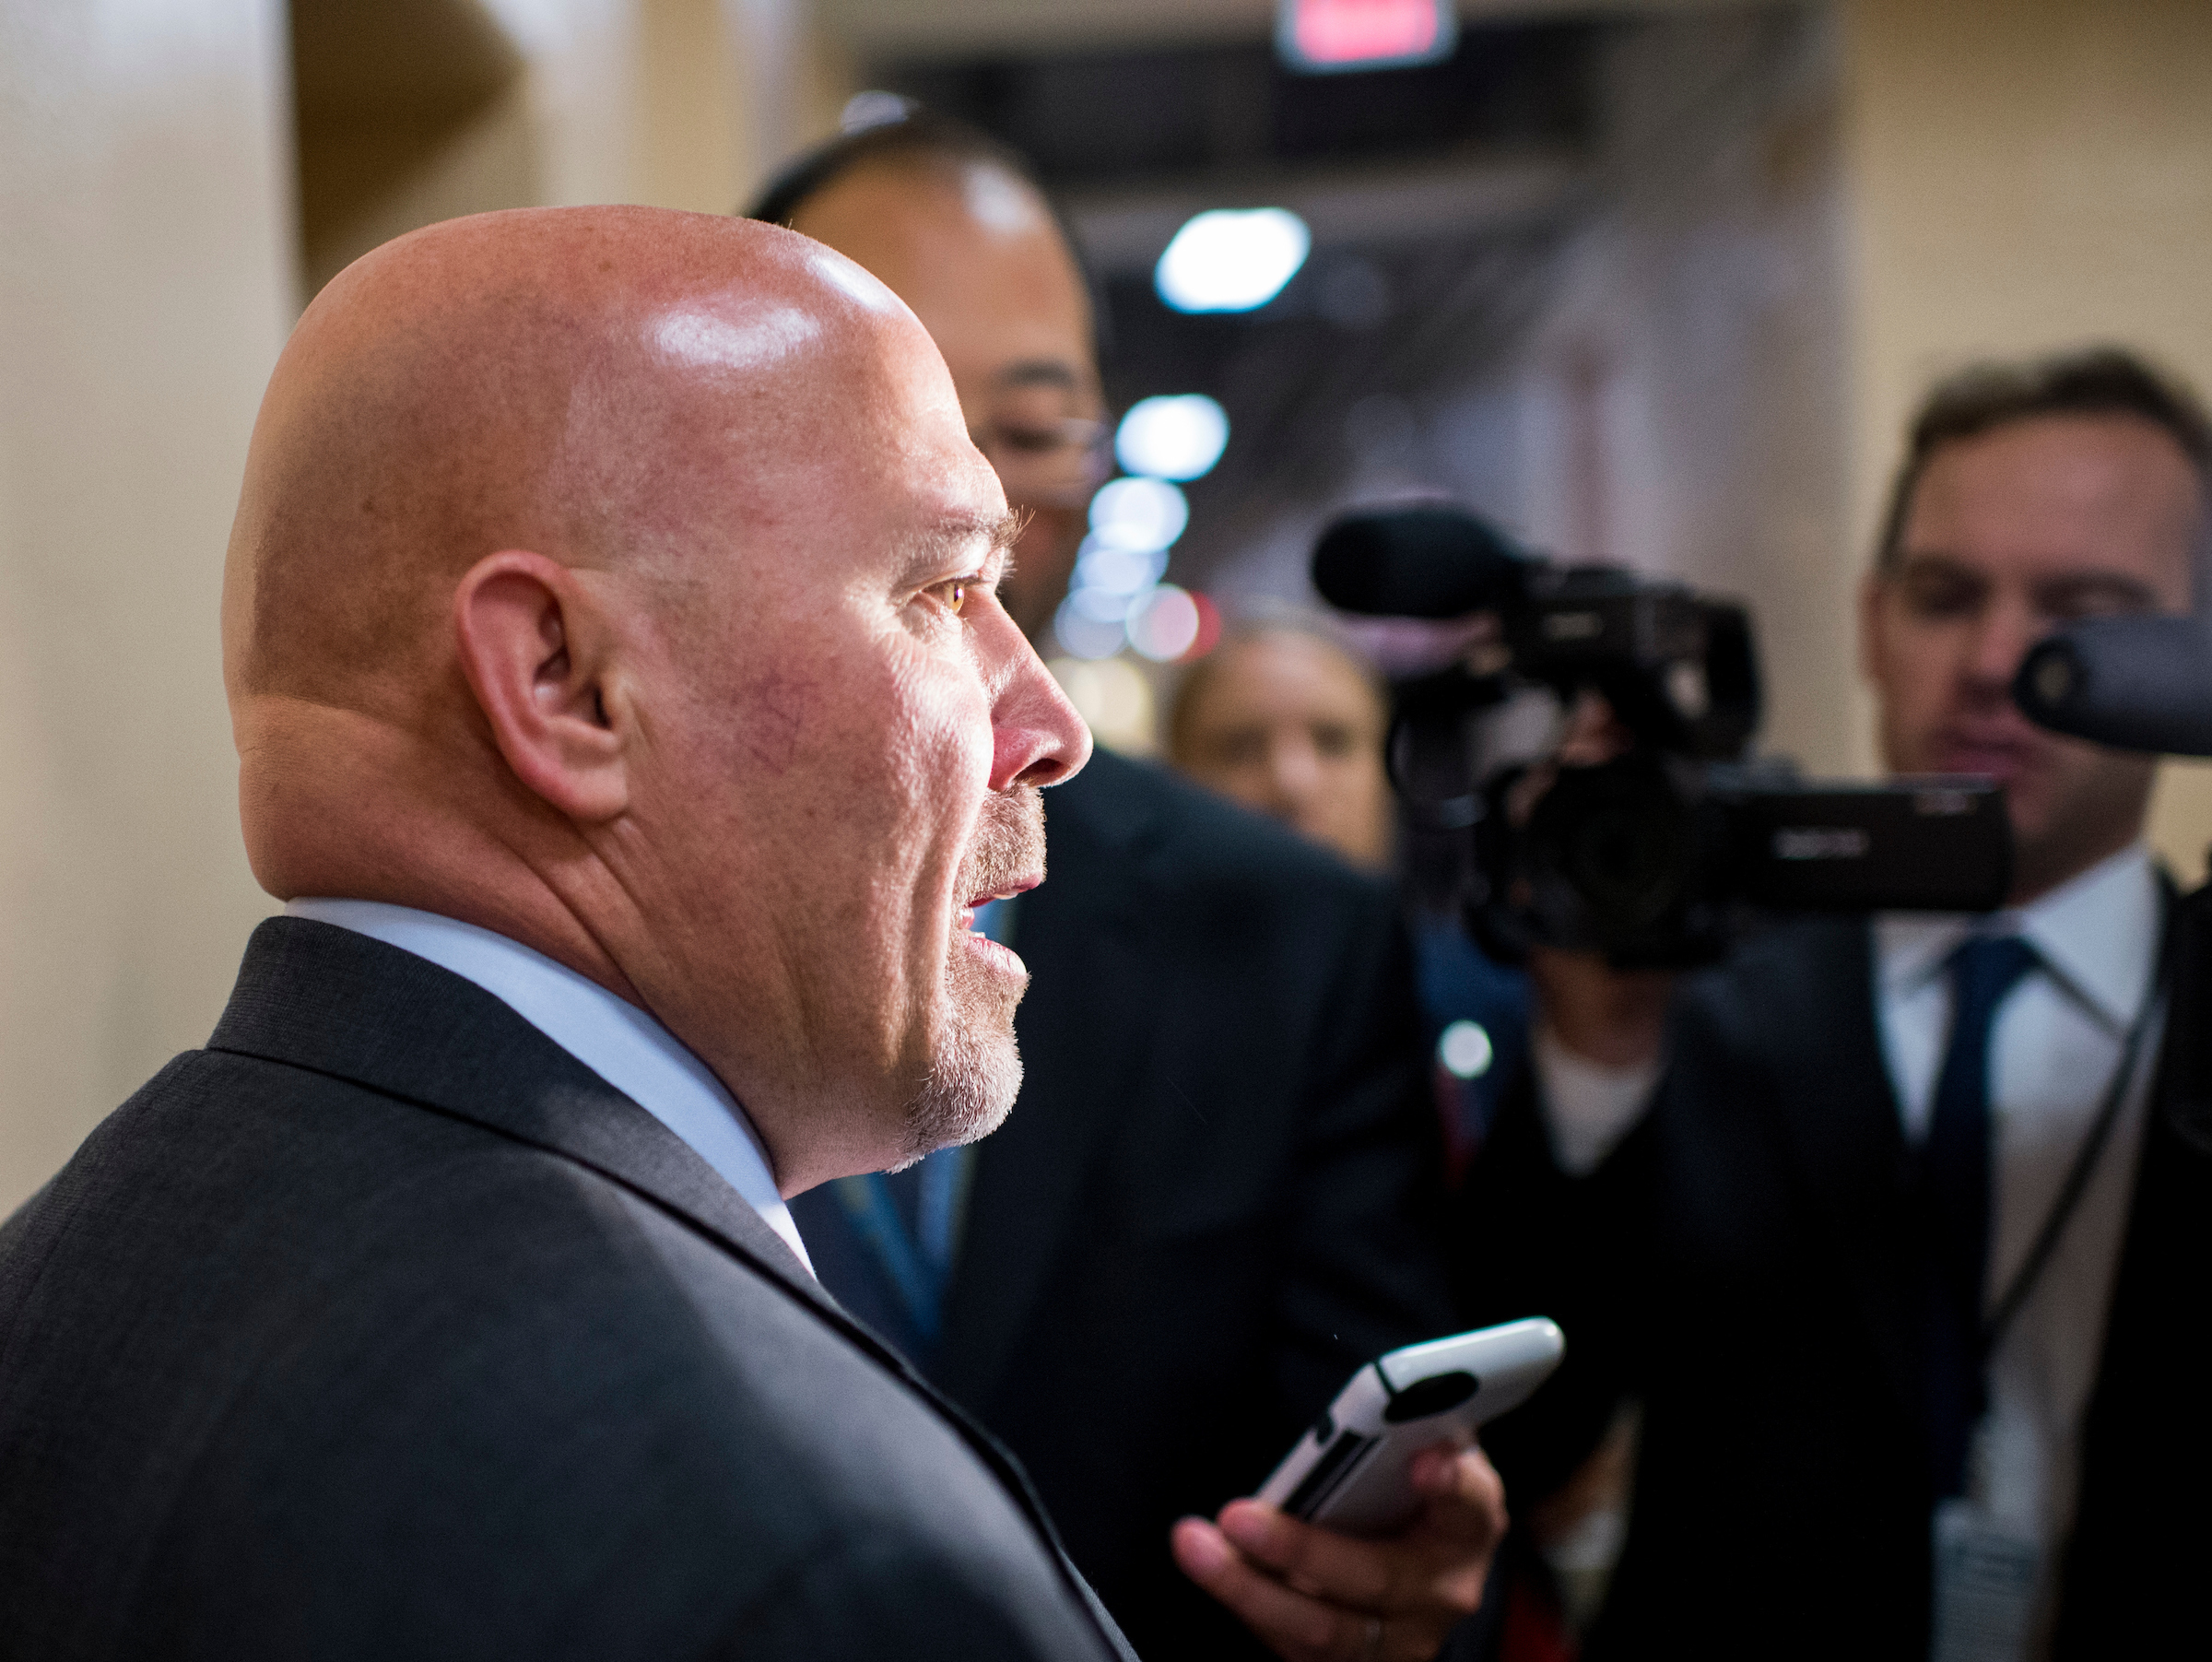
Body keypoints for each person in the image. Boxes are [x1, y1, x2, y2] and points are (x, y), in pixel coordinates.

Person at [0, 206, 1505, 1660]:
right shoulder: (835, 1562)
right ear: (565, 683)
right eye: (943, 590)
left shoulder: (74, 1271)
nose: (1050, 724)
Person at [750, 115, 1500, 1662]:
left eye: (1027, 433)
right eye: (892, 420)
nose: (969, 498)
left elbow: (1362, 1422)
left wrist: (1395, 1583)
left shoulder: (1287, 932)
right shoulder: (599, 897)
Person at [1453, 347, 2212, 1660]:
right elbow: (1510, 1445)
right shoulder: (1701, 996)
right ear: (1871, 622)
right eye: (1943, 595)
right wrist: (1598, 1046)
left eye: (2080, 612)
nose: (1994, 660)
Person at [1167, 620, 1530, 1165]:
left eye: (1333, 741)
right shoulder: (1127, 1021)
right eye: (1240, 748)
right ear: (1171, 777)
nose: (1294, 783)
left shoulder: (1502, 1003)